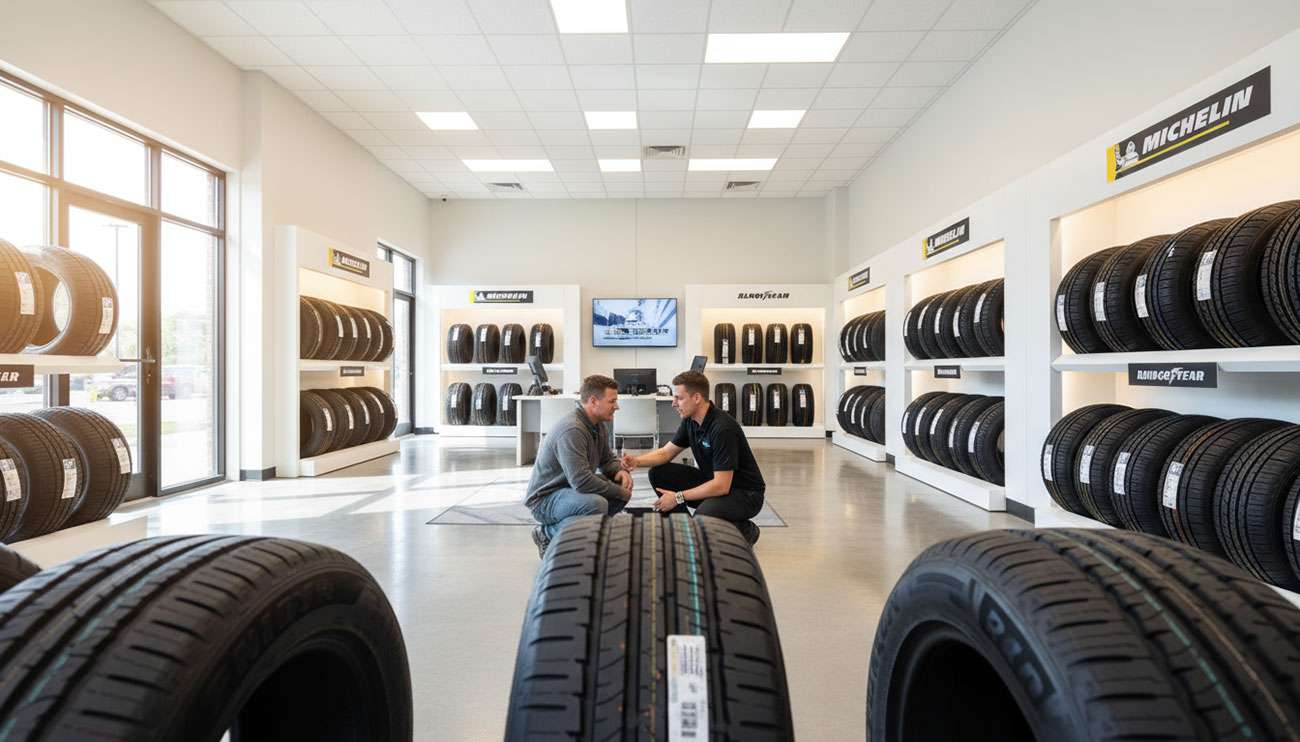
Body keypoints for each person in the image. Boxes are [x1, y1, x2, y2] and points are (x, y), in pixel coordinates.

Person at [621, 370, 765, 544]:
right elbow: (666, 453)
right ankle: (686, 528)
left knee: (703, 518)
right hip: (713, 483)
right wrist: (636, 461)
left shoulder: (722, 428)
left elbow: (722, 486)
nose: (674, 403)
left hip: (744, 494)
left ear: (696, 398)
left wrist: (678, 497)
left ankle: (745, 530)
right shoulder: (691, 421)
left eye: (679, 398)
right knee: (659, 473)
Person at [525, 374, 633, 558]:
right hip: (545, 499)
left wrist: (620, 471)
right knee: (596, 503)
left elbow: (607, 459)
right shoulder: (573, 430)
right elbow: (582, 481)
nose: (617, 406)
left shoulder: (597, 425)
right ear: (593, 401)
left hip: (569, 489)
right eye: (612, 401)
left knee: (620, 487)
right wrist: (618, 492)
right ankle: (546, 533)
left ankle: (593, 532)